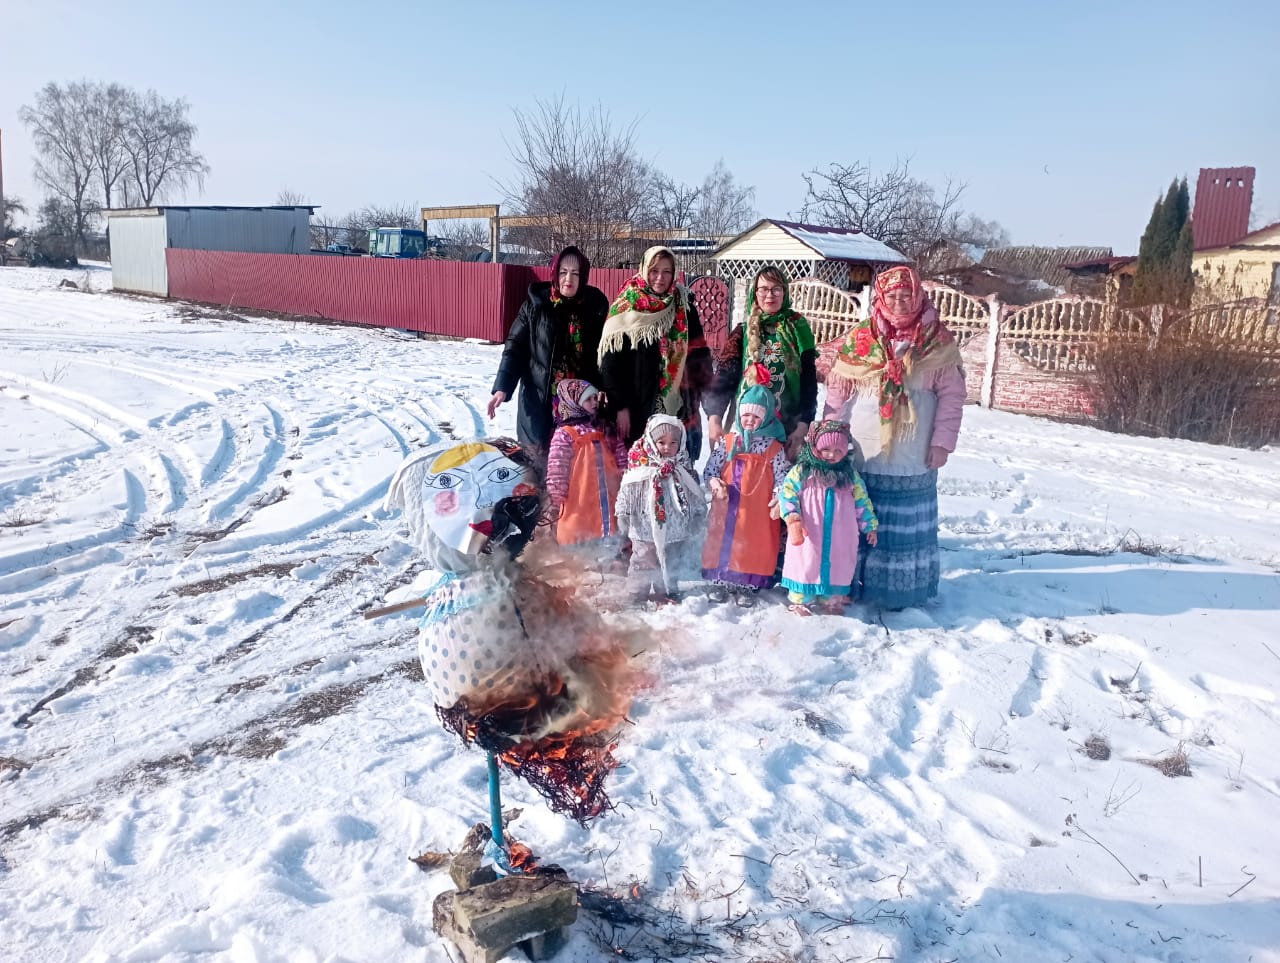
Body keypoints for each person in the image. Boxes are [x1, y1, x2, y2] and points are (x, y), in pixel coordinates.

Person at [823, 265, 965, 610]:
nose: (899, 301)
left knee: (900, 522)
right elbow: (838, 391)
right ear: (881, 298)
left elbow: (952, 396)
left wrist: (942, 443)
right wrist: (829, 434)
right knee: (857, 513)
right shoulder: (862, 337)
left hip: (913, 450)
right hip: (863, 447)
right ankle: (848, 583)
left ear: (917, 296)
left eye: (906, 295)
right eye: (892, 295)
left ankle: (899, 591)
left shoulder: (937, 340)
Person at [489, 245, 610, 463]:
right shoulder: (535, 306)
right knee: (536, 462)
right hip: (538, 400)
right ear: (555, 273)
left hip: (578, 404)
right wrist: (502, 387)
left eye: (575, 273)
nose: (568, 279)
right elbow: (515, 347)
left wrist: (604, 388)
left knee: (573, 464)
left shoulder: (594, 309)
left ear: (583, 277)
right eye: (563, 272)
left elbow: (603, 356)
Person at [598, 246, 712, 460]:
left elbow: (699, 354)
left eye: (667, 271)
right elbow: (610, 364)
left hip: (678, 406)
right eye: (654, 271)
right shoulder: (627, 305)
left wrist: (700, 397)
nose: (660, 278)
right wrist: (620, 406)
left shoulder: (683, 304)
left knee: (676, 467)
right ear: (644, 270)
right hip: (636, 405)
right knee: (641, 467)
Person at [704, 265, 818, 461]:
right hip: (745, 428)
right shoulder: (742, 333)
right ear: (754, 293)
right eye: (763, 289)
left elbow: (809, 382)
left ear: (785, 292)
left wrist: (803, 425)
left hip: (787, 430)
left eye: (776, 289)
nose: (769, 295)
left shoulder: (800, 331)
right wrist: (715, 419)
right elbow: (724, 379)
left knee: (779, 478)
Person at [700, 384, 792, 605]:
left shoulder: (774, 448)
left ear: (766, 418)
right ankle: (719, 581)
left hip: (757, 511)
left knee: (752, 544)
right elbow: (711, 469)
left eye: (756, 416)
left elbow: (783, 475)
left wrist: (778, 496)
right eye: (746, 415)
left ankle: (746, 585)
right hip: (728, 505)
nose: (750, 420)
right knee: (723, 541)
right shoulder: (728, 442)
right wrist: (714, 482)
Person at [777, 421, 878, 616]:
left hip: (841, 531)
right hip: (810, 530)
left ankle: (831, 599)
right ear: (815, 447)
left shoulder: (849, 475)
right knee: (806, 561)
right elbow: (787, 493)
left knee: (838, 562)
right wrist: (793, 517)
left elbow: (862, 501)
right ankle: (801, 599)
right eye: (826, 449)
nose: (832, 455)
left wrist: (869, 525)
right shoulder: (803, 471)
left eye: (838, 451)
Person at [614, 414, 707, 605]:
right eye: (661, 442)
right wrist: (623, 513)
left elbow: (694, 493)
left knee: (672, 561)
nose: (667, 447)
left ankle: (667, 590)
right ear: (651, 441)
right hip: (644, 529)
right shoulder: (641, 467)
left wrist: (698, 515)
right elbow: (627, 491)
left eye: (673, 443)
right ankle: (637, 593)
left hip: (675, 529)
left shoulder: (682, 467)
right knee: (643, 561)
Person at [544, 378, 627, 549]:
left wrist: (624, 473)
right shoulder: (565, 433)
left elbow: (619, 451)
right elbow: (557, 465)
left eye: (595, 398)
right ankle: (579, 550)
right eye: (588, 399)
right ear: (573, 402)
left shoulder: (604, 426)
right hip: (579, 493)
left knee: (610, 518)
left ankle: (610, 547)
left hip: (609, 489)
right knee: (579, 520)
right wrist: (557, 491)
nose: (594, 402)